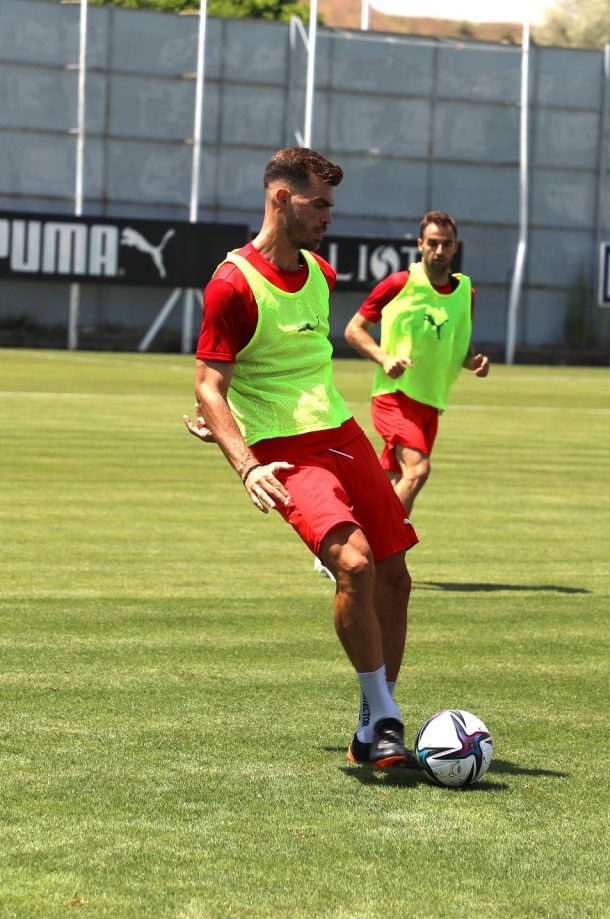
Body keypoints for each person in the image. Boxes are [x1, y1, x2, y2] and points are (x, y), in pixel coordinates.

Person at [182, 147, 418, 768]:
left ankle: (373, 723)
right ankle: (386, 716)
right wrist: (244, 460)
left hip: (343, 435)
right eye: (320, 204)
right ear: (282, 199)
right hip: (285, 452)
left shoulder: (321, 274)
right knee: (355, 565)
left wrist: (222, 424)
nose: (329, 216)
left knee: (396, 578)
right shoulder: (232, 283)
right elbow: (209, 385)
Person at [343, 210, 489, 515]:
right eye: (433, 243)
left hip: (431, 402)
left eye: (446, 243)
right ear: (420, 244)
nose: (439, 250)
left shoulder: (466, 293)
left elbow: (459, 345)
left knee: (392, 482)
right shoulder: (399, 284)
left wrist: (474, 361)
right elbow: (354, 330)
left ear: (455, 246)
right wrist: (384, 358)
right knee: (417, 470)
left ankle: (345, 536)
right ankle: (383, 540)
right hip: (395, 396)